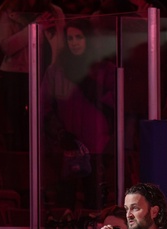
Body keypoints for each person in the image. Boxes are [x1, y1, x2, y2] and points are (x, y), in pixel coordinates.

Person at [41, 17, 117, 212]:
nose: (74, 42)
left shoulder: (106, 70)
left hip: (98, 149)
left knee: (96, 208)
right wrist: (59, 134)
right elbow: (44, 107)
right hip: (67, 148)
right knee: (64, 207)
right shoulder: (55, 71)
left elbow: (117, 106)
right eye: (70, 38)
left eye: (79, 37)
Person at [0, 0, 64, 151]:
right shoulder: (8, 9)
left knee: (44, 123)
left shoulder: (55, 11)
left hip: (46, 73)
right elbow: (7, 47)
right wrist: (35, 28)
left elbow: (60, 46)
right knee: (20, 128)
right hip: (17, 74)